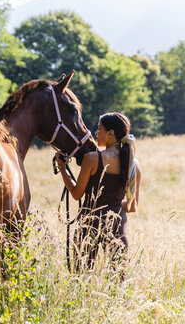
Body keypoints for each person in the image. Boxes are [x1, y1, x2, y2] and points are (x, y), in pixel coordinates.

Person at [55, 112, 142, 272]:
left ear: (111, 133)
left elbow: (76, 193)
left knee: (82, 277)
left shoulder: (92, 159)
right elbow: (131, 207)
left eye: (99, 128)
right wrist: (113, 206)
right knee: (117, 281)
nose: (96, 133)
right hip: (117, 225)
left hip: (89, 223)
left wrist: (62, 167)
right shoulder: (134, 165)